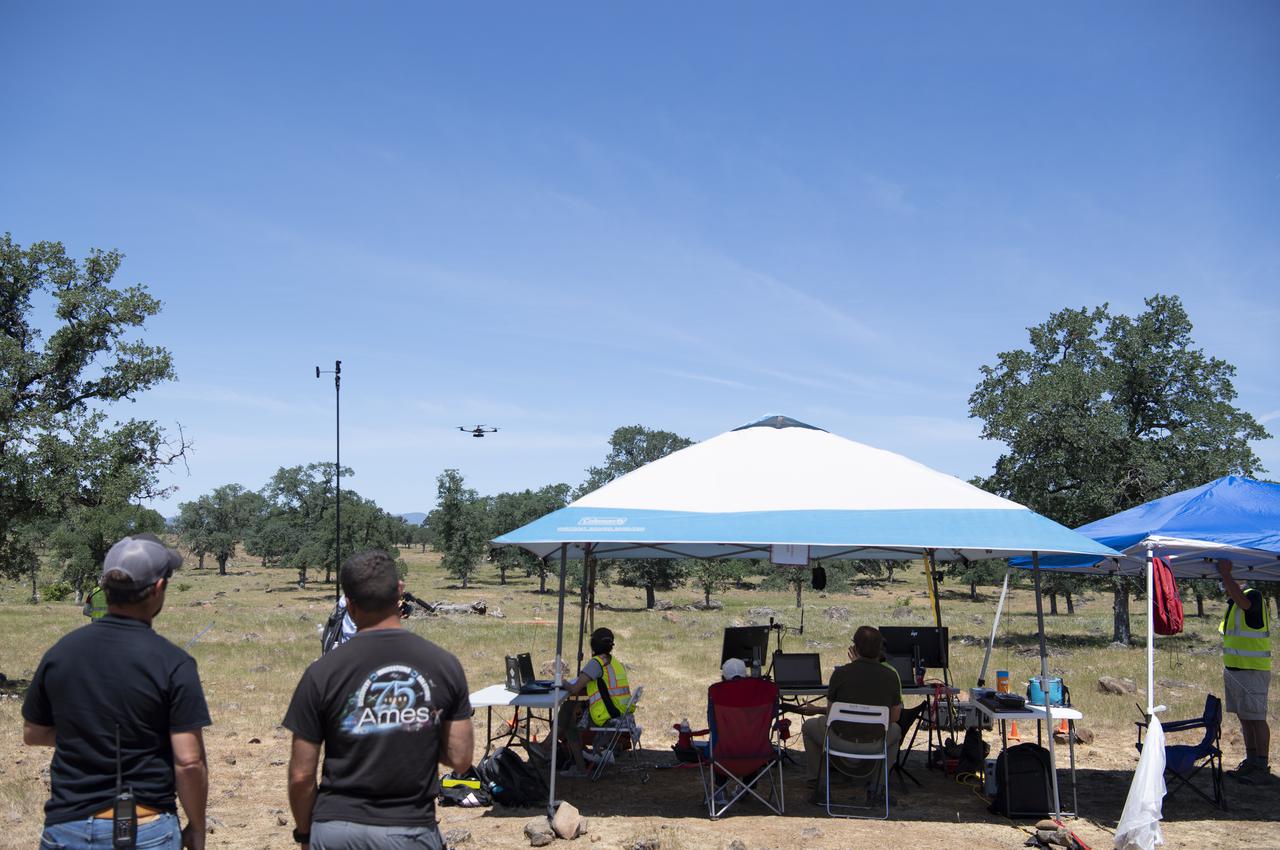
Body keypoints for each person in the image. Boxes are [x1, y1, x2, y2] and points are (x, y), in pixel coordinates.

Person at [22, 533, 210, 850]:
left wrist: (86, 731)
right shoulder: (174, 663)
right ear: (158, 588)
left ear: (105, 588)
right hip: (146, 827)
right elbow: (189, 762)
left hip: (68, 826)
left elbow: (33, 733)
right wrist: (198, 827)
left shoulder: (61, 653)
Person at [285, 550, 474, 849]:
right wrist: (411, 726)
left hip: (336, 829)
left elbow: (300, 775)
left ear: (349, 604)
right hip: (409, 829)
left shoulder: (321, 673)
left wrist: (305, 834)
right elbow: (461, 758)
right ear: (399, 593)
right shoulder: (444, 665)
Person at [796, 626, 902, 803]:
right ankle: (877, 787)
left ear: (855, 649)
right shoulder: (890, 676)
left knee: (808, 727)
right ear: (880, 650)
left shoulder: (840, 674)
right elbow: (895, 717)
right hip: (875, 743)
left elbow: (831, 714)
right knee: (896, 730)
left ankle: (819, 785)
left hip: (839, 740)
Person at [535, 627, 634, 778]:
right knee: (569, 710)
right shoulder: (615, 663)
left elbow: (574, 689)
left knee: (568, 717)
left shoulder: (596, 663)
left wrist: (561, 681)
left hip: (607, 716)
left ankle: (551, 749)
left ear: (593, 645)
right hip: (621, 714)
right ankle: (554, 750)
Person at [1217, 559, 1273, 784]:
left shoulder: (1252, 596)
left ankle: (1262, 764)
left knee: (1257, 718)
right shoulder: (1233, 603)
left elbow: (1244, 602)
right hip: (1236, 671)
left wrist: (1225, 574)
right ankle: (1251, 760)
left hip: (1252, 671)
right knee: (1245, 717)